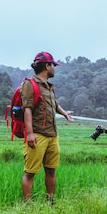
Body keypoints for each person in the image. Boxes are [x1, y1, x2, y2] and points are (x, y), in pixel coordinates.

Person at [21, 51, 73, 203]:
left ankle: (50, 201)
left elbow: (54, 104)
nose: (54, 68)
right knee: (30, 172)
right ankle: (27, 206)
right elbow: (27, 109)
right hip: (37, 135)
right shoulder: (30, 84)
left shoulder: (49, 87)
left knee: (51, 170)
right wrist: (30, 133)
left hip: (52, 135)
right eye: (53, 65)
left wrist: (64, 114)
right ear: (47, 66)